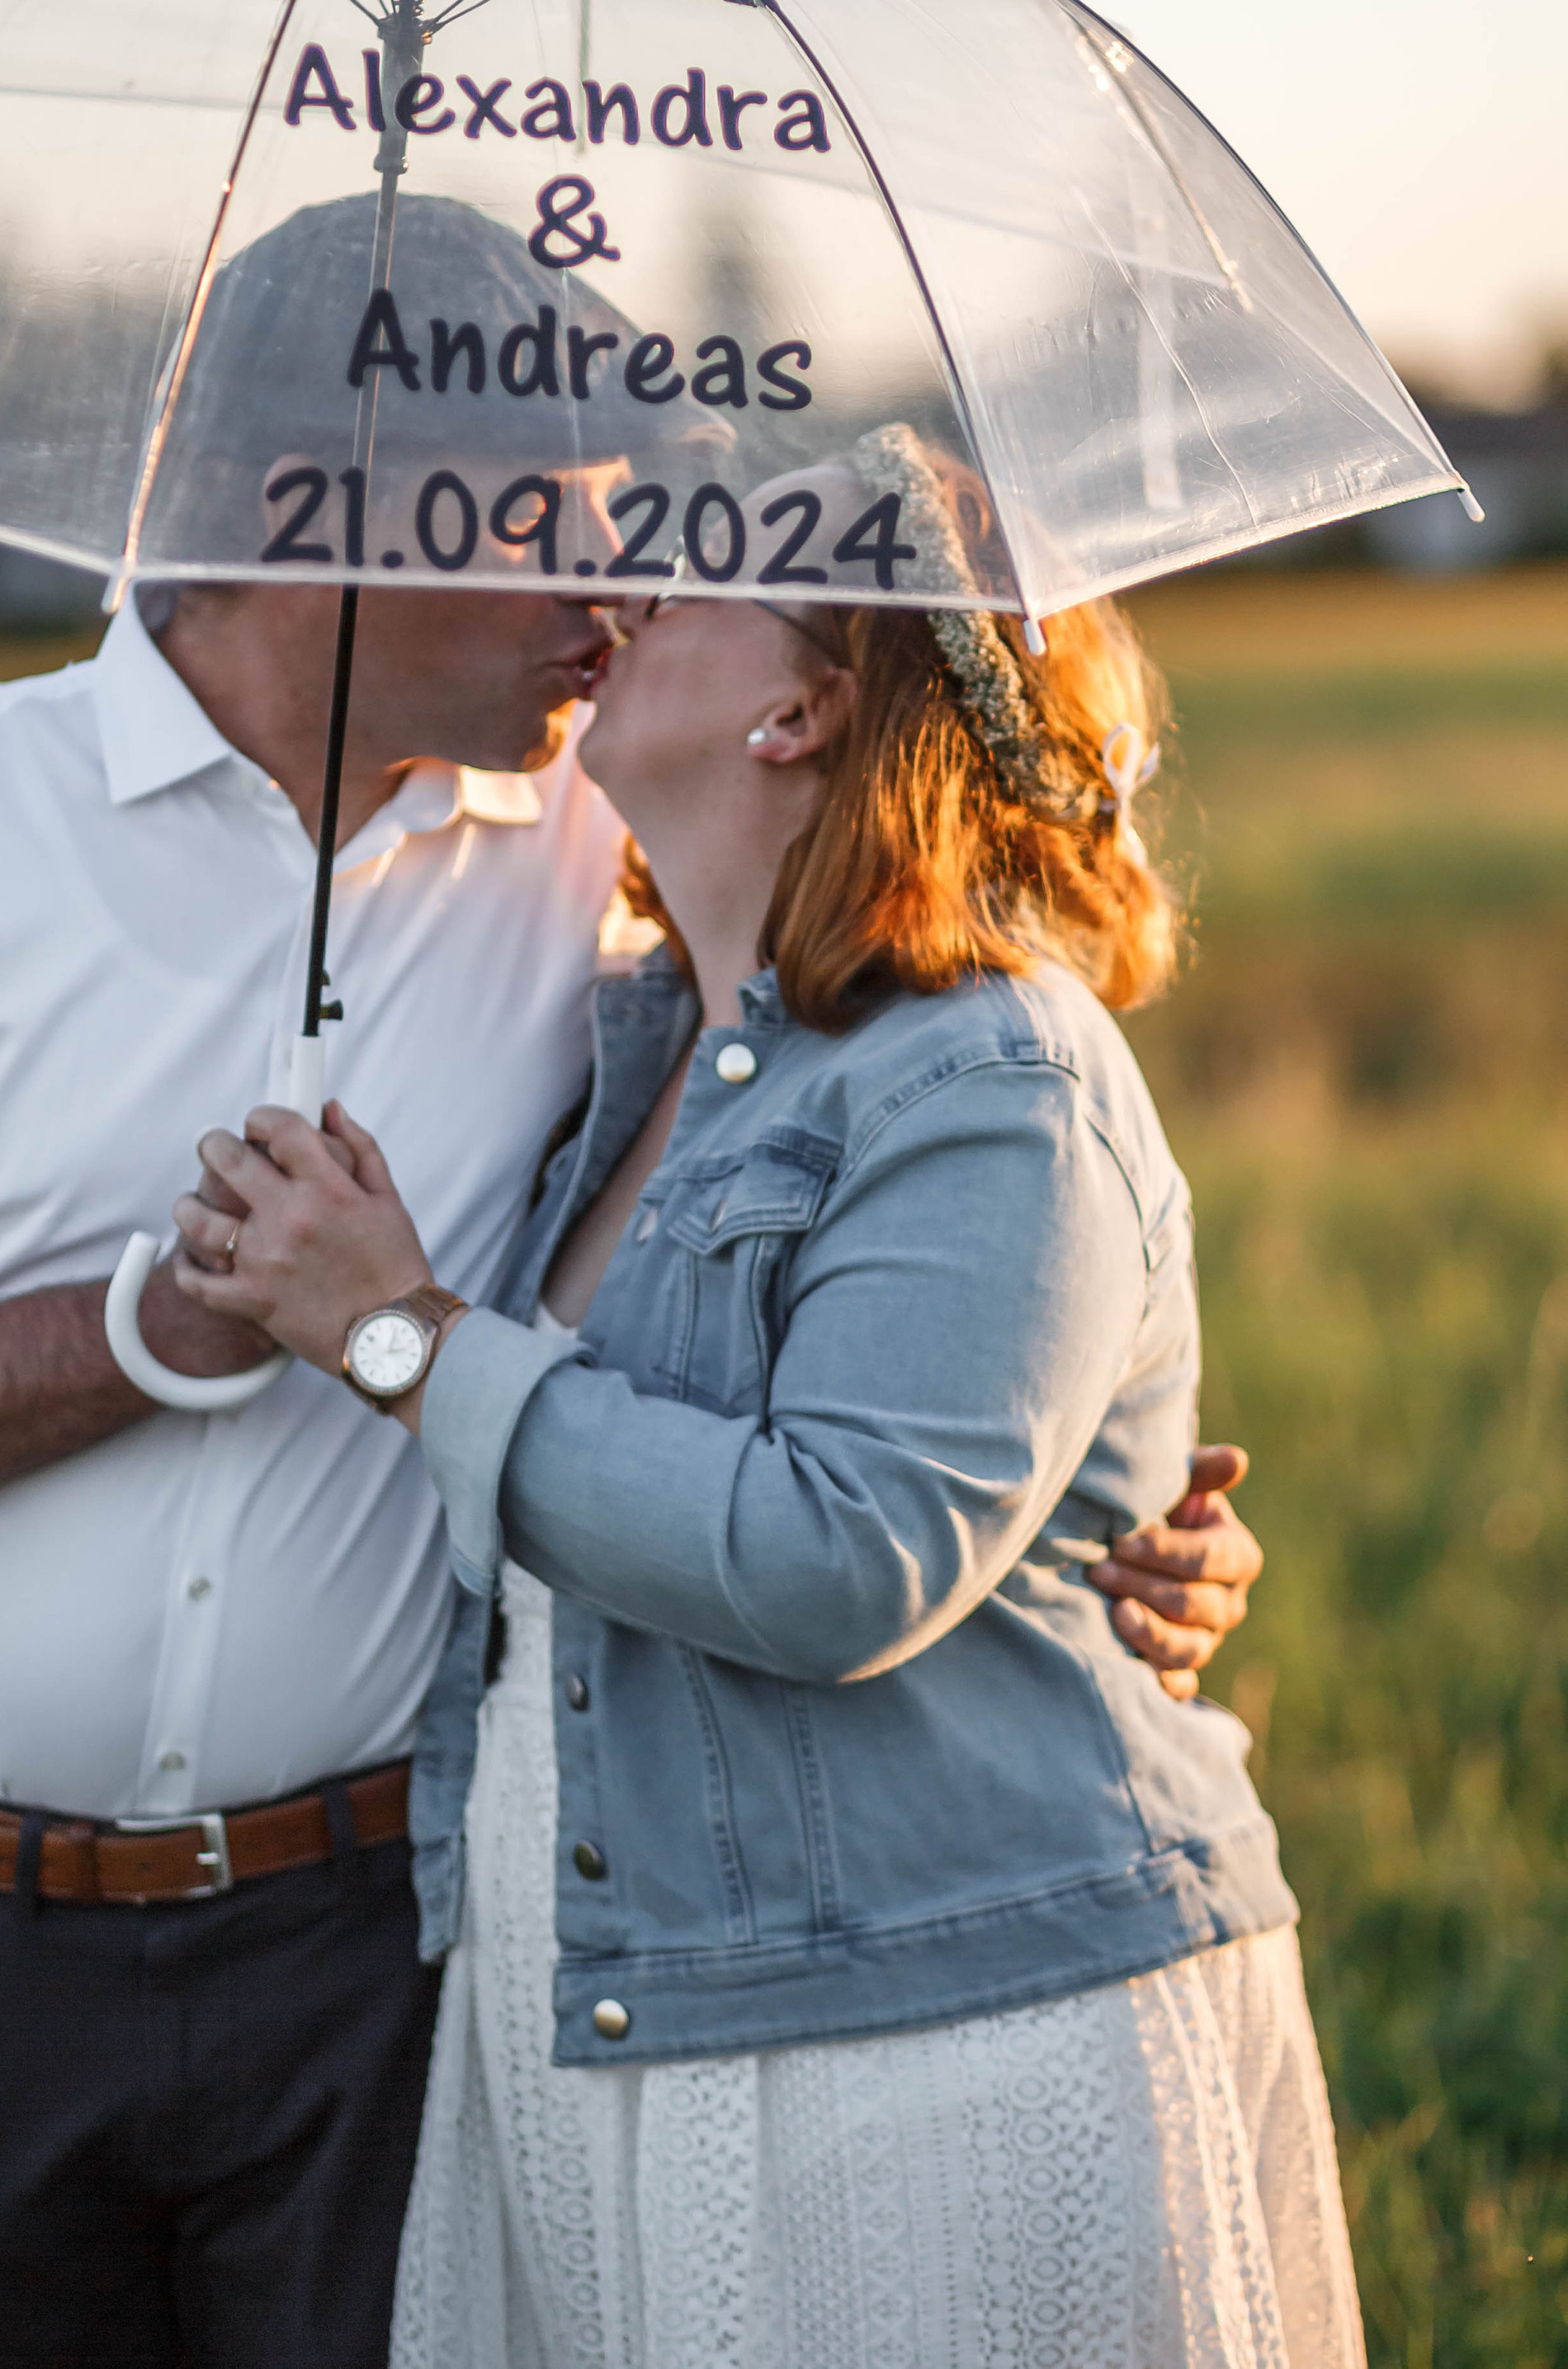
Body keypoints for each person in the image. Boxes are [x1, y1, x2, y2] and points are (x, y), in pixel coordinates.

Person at [0, 210, 1263, 2369]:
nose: (618, 578)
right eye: (565, 508)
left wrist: (1102, 1510)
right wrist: (153, 1334)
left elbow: (902, 1241)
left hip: (399, 1956)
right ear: (337, 497)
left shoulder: (612, 866)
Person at [172, 428, 1362, 2368]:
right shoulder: (633, 1055)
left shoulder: (990, 1076)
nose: (625, 577)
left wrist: (400, 1339)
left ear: (800, 711)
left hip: (921, 2038)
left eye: (705, 558)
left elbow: (838, 1556)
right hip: (621, 2007)